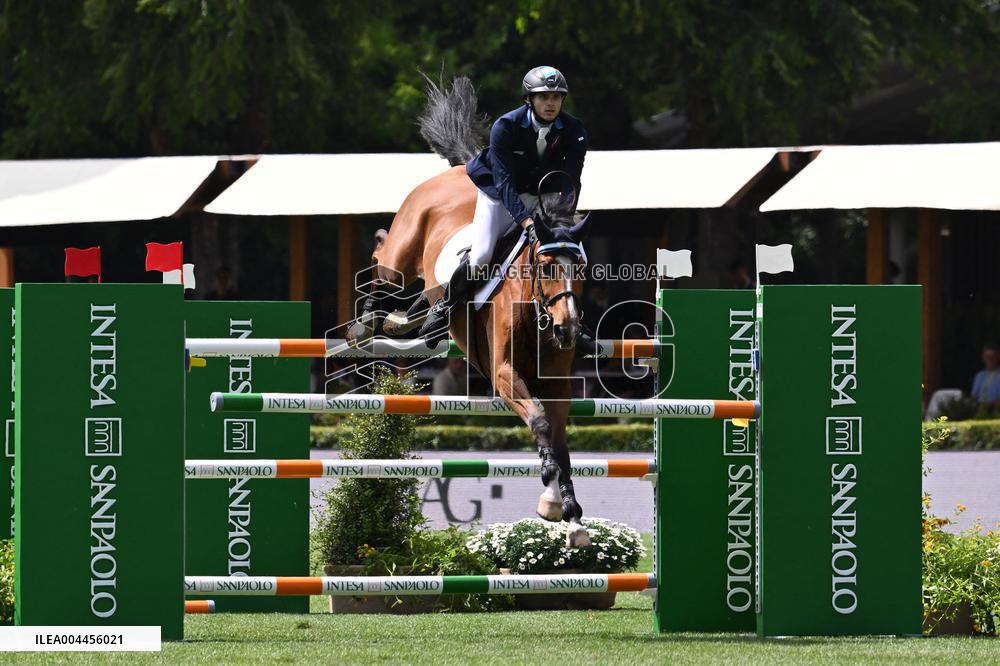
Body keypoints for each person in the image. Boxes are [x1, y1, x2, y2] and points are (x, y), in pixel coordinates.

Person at [418, 66, 588, 341]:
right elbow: (505, 183)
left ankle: (574, 318)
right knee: (483, 254)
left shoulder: (574, 129)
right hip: (499, 194)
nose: (550, 103)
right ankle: (444, 309)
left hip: (544, 197)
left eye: (556, 97)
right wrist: (527, 222)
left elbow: (572, 182)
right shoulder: (506, 127)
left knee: (577, 256)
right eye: (544, 97)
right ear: (529, 99)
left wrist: (564, 221)